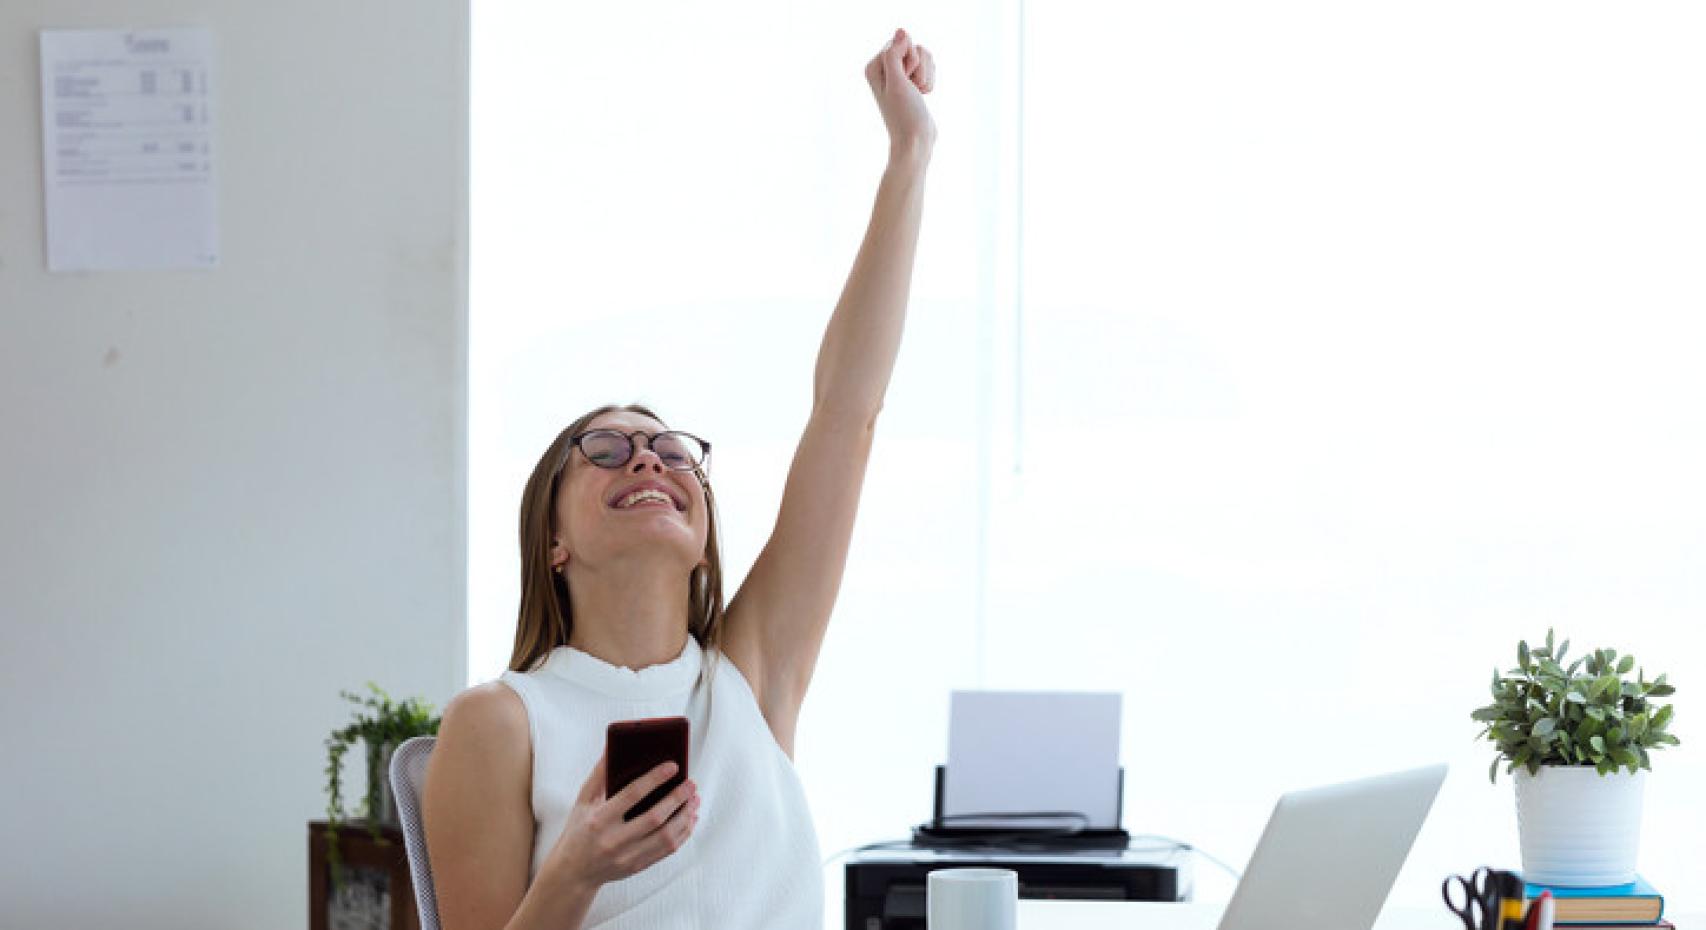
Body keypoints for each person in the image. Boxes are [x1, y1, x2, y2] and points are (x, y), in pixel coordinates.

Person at [423, 27, 937, 930]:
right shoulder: (501, 723)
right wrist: (574, 872)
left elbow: (845, 414)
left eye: (670, 451)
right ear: (553, 538)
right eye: (608, 452)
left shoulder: (750, 679)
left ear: (702, 538)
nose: (650, 459)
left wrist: (910, 155)